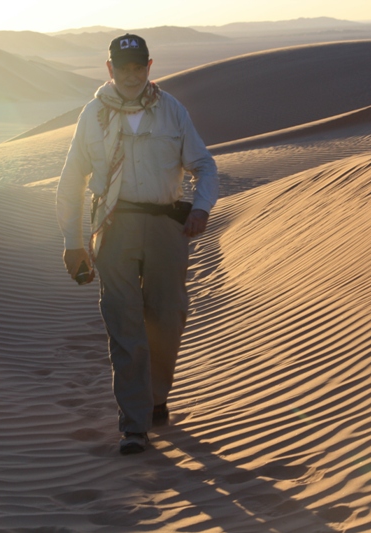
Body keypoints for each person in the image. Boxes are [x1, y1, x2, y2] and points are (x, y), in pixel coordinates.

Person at [56, 33, 218, 455]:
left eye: (137, 67)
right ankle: (134, 424)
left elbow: (203, 164)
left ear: (149, 67)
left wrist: (200, 208)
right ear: (109, 69)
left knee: (168, 316)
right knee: (124, 321)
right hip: (114, 226)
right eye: (121, 68)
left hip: (167, 226)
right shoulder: (92, 115)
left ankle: (156, 397)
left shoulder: (171, 109)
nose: (130, 75)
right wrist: (74, 241)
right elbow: (72, 179)